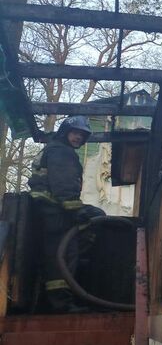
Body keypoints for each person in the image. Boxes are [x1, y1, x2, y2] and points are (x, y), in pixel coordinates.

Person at [28, 116, 105, 313]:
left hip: (50, 211)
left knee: (94, 217)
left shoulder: (56, 149)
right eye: (75, 133)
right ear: (64, 132)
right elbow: (63, 187)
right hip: (55, 212)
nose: (78, 137)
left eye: (82, 135)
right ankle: (61, 305)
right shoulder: (62, 152)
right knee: (62, 257)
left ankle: (59, 300)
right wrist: (77, 211)